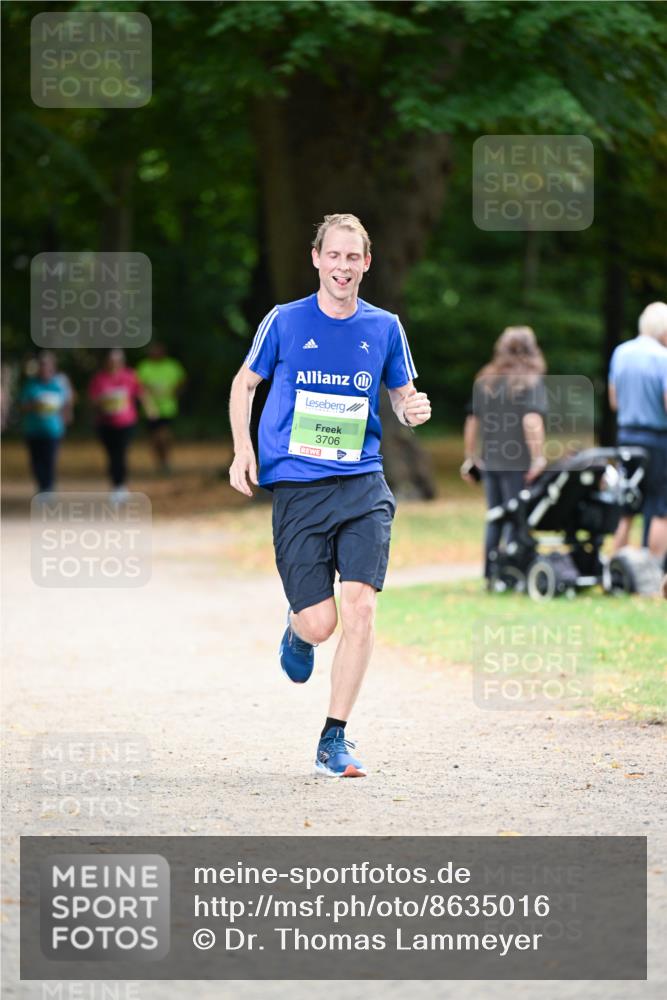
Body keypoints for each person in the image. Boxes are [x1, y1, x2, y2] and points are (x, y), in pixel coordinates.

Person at [228, 213, 431, 778]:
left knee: (360, 606)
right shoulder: (284, 321)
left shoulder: (385, 327)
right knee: (321, 623)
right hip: (298, 486)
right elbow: (245, 384)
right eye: (334, 256)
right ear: (316, 258)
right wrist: (243, 450)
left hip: (363, 482)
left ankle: (333, 738)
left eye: (353, 257)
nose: (343, 267)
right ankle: (298, 631)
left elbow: (403, 396)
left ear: (367, 263)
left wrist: (412, 409)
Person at [461, 326, 548, 582]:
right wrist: (538, 458)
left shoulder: (487, 379)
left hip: (490, 460)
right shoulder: (531, 381)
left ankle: (491, 573)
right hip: (518, 462)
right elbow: (532, 421)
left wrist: (470, 457)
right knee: (516, 516)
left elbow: (472, 420)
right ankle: (512, 572)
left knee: (495, 516)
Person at [608, 301, 667, 565]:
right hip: (657, 440)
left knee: (627, 507)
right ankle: (652, 571)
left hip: (626, 438)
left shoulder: (621, 353)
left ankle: (615, 569)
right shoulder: (663, 357)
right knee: (660, 508)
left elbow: (614, 401)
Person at [88, 349, 142, 503]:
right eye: (111, 361)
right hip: (105, 423)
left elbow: (140, 393)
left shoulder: (130, 376)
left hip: (126, 422)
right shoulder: (99, 378)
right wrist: (104, 401)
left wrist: (151, 409)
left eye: (118, 361)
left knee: (121, 453)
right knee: (112, 455)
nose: (114, 364)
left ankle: (120, 485)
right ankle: (117, 484)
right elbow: (92, 400)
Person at [20, 351, 70, 493]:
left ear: (53, 367)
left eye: (47, 365)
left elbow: (66, 404)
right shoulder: (31, 385)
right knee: (36, 462)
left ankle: (48, 488)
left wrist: (65, 420)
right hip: (33, 430)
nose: (44, 368)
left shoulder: (59, 385)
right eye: (42, 365)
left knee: (49, 461)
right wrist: (34, 405)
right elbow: (22, 406)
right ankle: (42, 486)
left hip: (53, 431)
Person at [137, 342, 186, 474]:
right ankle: (160, 462)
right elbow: (139, 387)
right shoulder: (144, 367)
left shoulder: (172, 366)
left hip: (168, 408)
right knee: (155, 438)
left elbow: (182, 382)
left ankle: (166, 460)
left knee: (164, 436)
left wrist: (175, 393)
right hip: (150, 409)